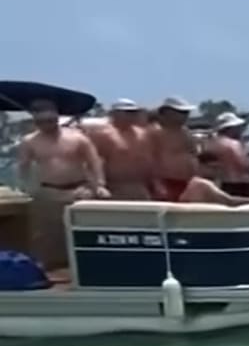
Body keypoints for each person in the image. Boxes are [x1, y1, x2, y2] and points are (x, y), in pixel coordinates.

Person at [16, 99, 108, 270]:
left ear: (57, 118)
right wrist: (25, 187)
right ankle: (48, 270)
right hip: (48, 191)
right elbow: (23, 166)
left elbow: (94, 162)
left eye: (50, 121)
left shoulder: (77, 137)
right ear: (35, 121)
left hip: (79, 191)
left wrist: (100, 185)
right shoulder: (30, 141)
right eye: (40, 122)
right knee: (46, 235)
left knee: (81, 232)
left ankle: (86, 267)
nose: (46, 125)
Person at [84, 98, 152, 199]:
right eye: (127, 112)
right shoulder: (104, 134)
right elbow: (96, 161)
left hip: (139, 186)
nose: (131, 116)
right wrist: (99, 185)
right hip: (114, 188)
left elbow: (148, 160)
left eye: (134, 112)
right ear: (115, 113)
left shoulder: (142, 134)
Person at [203, 112, 249, 197]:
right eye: (237, 127)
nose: (240, 130)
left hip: (223, 184)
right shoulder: (233, 143)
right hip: (242, 185)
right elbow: (243, 163)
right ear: (230, 128)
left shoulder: (211, 143)